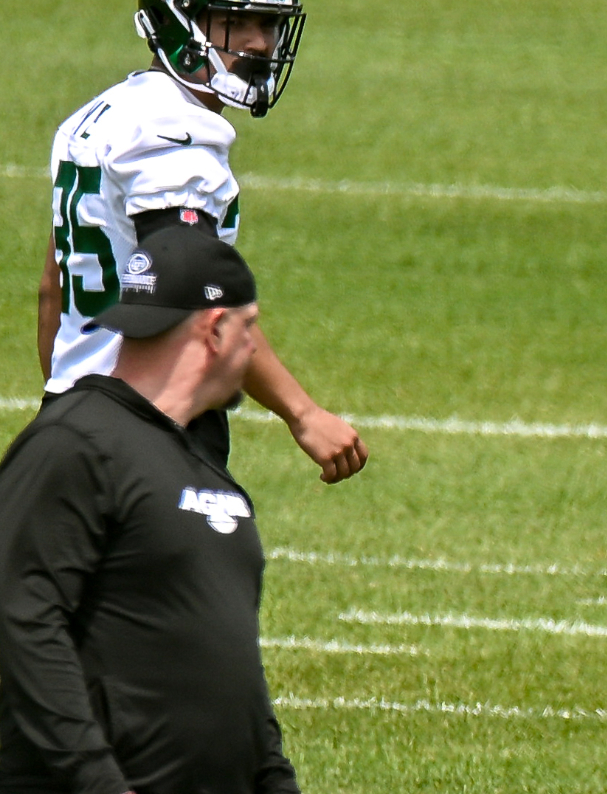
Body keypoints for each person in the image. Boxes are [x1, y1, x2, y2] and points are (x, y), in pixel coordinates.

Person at [0, 227, 327, 794]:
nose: (256, 352)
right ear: (213, 330)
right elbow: (21, 619)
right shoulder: (75, 444)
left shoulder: (208, 476)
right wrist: (101, 790)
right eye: (251, 329)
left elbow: (226, 666)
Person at [37, 0, 367, 484]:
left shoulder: (99, 117)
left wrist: (65, 406)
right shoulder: (174, 134)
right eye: (235, 23)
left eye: (268, 24)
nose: (258, 43)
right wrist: (304, 414)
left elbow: (53, 286)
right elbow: (194, 294)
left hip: (72, 414)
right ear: (177, 25)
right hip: (157, 420)